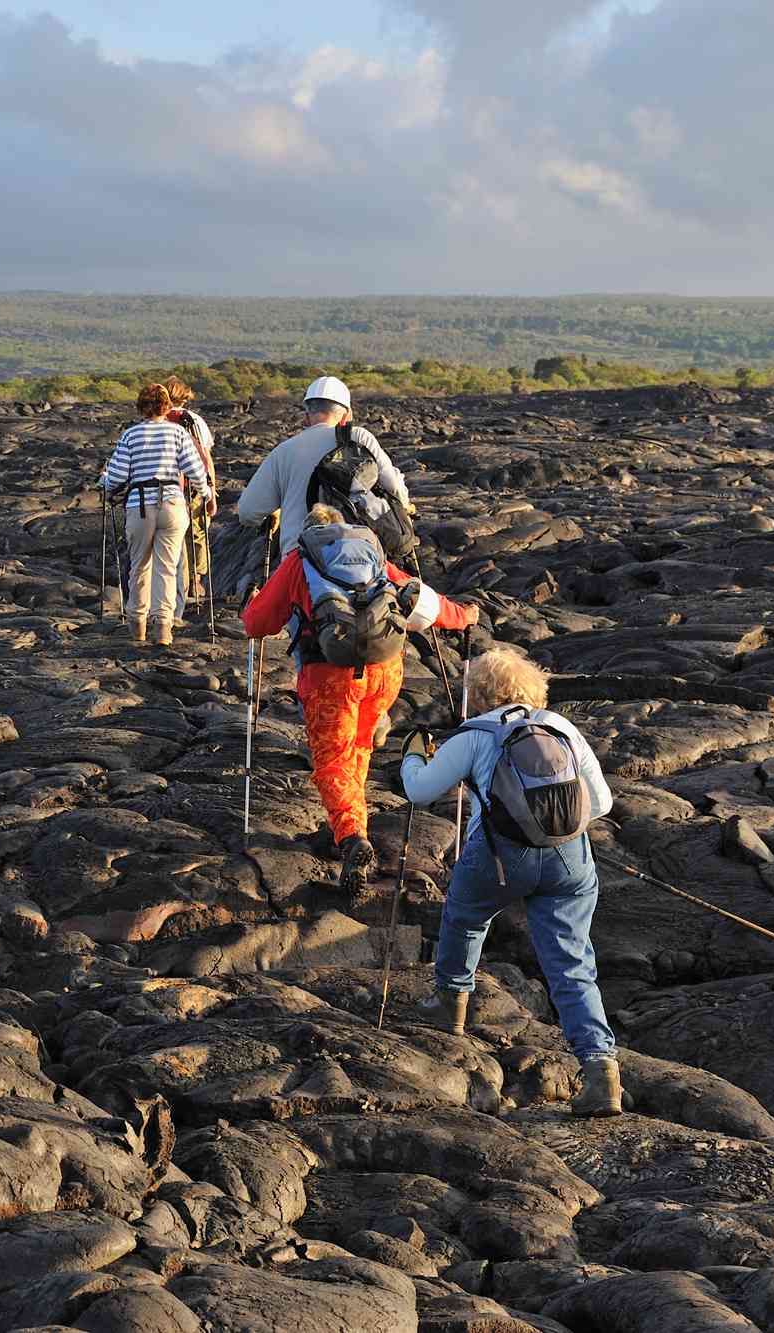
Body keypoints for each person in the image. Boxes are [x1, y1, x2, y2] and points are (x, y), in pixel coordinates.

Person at [399, 646, 622, 1116]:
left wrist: (411, 757)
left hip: (499, 856)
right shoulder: (561, 728)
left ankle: (451, 1006)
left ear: (477, 694)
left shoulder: (475, 735)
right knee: (571, 963)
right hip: (569, 859)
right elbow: (600, 802)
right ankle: (601, 1071)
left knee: (464, 916)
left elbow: (419, 792)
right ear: (533, 687)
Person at [242, 504, 477, 891]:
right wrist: (463, 616)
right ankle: (351, 821)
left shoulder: (301, 561)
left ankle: (352, 837)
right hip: (384, 670)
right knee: (360, 746)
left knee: (333, 760)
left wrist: (253, 604)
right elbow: (425, 605)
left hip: (329, 675)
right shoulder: (369, 554)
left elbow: (258, 623)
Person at [238, 375, 412, 557]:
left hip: (300, 559)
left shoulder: (283, 451)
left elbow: (248, 513)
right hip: (358, 556)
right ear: (347, 415)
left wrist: (274, 511)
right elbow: (394, 487)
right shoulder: (358, 437)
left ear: (307, 415)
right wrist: (405, 505)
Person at [100, 381, 213, 647]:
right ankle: (163, 627)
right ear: (166, 406)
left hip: (140, 506)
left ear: (141, 407)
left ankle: (137, 625)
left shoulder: (131, 435)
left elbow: (116, 477)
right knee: (168, 567)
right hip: (173, 505)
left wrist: (102, 482)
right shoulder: (177, 433)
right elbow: (196, 471)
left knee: (139, 567)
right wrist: (207, 495)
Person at [164, 376, 219, 622]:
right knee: (196, 532)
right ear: (186, 397)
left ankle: (173, 591)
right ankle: (196, 583)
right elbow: (206, 458)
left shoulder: (157, 421)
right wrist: (212, 492)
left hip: (165, 490)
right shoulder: (195, 421)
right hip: (195, 488)